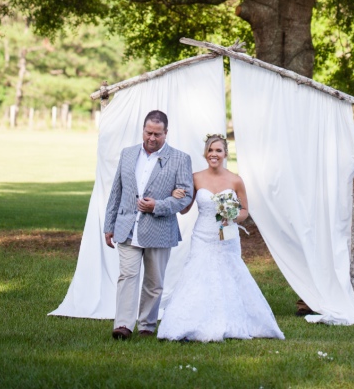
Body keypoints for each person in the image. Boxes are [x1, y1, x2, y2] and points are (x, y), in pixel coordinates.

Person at [156, 134, 284, 342]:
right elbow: (185, 210)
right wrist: (176, 195)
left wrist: (232, 216)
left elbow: (244, 211)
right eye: (210, 150)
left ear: (225, 154)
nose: (214, 154)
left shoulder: (235, 180)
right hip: (202, 236)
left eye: (218, 151)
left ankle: (233, 320)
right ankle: (193, 321)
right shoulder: (195, 177)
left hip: (227, 238)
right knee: (198, 275)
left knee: (229, 274)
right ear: (205, 153)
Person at [104, 110, 193, 339]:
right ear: (143, 130)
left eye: (157, 134)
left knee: (154, 282)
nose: (152, 138)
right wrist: (109, 224)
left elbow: (185, 196)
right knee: (127, 275)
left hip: (159, 229)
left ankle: (146, 326)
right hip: (126, 226)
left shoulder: (180, 159)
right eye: (148, 133)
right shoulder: (128, 154)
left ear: (166, 133)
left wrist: (158, 206)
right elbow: (117, 190)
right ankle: (123, 325)